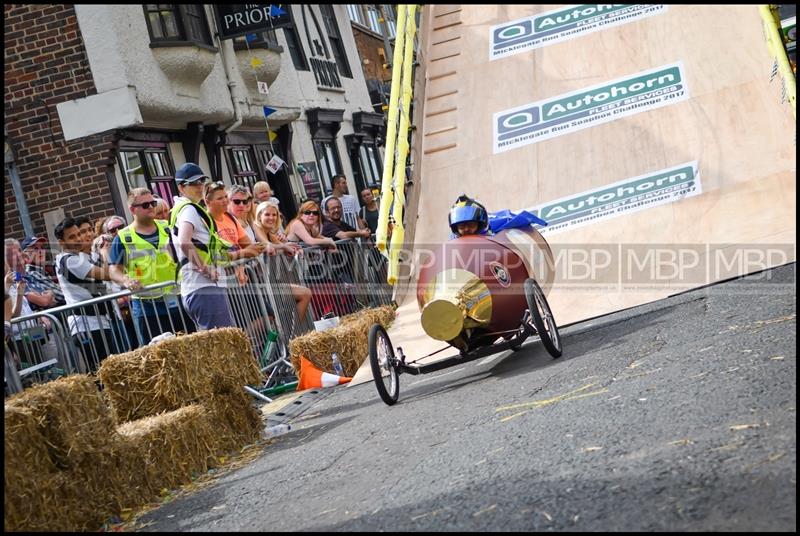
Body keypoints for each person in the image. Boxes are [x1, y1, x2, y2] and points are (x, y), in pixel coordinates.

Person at [109, 187, 197, 345]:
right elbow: (114, 269)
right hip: (147, 305)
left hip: (178, 297)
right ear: (132, 210)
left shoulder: (167, 227)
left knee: (190, 347)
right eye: (145, 205)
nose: (151, 207)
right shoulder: (123, 237)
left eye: (152, 203)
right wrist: (126, 280)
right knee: (157, 357)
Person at [54, 216, 140, 371]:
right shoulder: (69, 260)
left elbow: (102, 285)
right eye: (72, 237)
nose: (79, 239)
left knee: (111, 369)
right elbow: (105, 274)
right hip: (87, 325)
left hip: (101, 321)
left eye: (79, 234)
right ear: (61, 242)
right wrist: (108, 256)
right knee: (101, 371)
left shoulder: (80, 257)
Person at [169, 163, 235, 330]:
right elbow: (184, 241)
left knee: (217, 344)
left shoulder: (180, 209)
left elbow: (169, 248)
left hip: (197, 287)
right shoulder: (188, 209)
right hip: (203, 287)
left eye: (201, 181)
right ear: (181, 187)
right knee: (221, 346)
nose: (199, 186)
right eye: (193, 183)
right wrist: (205, 268)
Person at [252, 201, 312, 321]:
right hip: (264, 286)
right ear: (259, 216)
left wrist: (294, 248)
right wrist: (285, 247)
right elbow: (268, 246)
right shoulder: (257, 227)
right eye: (267, 215)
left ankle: (293, 332)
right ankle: (296, 334)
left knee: (298, 300)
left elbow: (284, 247)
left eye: (274, 215)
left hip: (275, 282)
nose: (271, 218)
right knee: (305, 293)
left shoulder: (271, 233)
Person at [20, 236, 66, 310]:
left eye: (42, 247)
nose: (41, 251)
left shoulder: (45, 270)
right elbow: (62, 295)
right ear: (25, 255)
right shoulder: (32, 273)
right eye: (35, 249)